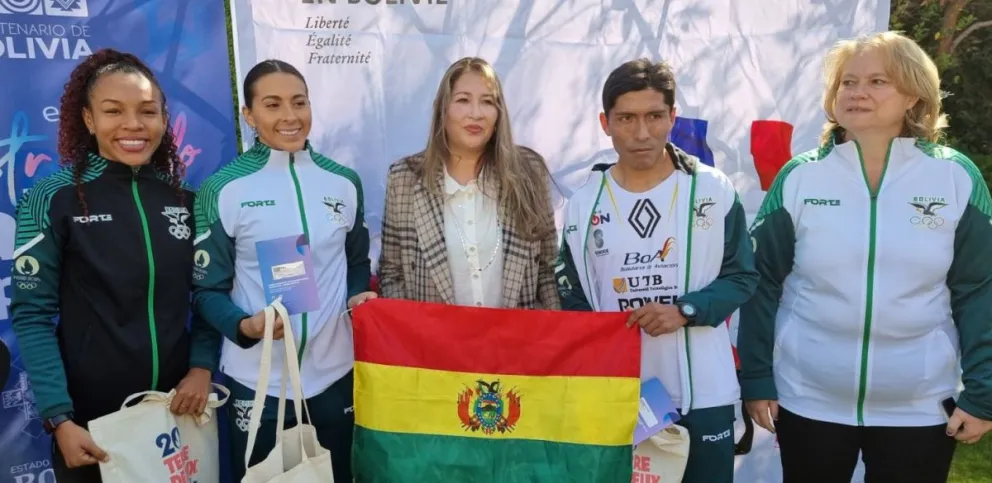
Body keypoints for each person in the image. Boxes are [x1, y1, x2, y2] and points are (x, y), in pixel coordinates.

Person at [738, 31, 992, 483]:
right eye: (848, 82)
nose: (857, 93)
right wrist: (756, 377)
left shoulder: (955, 177)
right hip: (809, 400)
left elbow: (979, 289)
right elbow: (762, 282)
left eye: (877, 81)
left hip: (919, 406)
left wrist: (984, 390)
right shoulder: (801, 177)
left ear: (914, 95)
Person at [9, 49, 219, 482]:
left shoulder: (187, 198)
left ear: (164, 119)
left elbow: (208, 293)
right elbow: (31, 314)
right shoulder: (53, 197)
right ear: (88, 119)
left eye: (147, 111)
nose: (133, 124)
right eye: (113, 111)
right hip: (91, 424)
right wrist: (59, 418)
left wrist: (201, 367)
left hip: (176, 410)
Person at [556, 58, 759, 483]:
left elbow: (742, 276)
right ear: (605, 123)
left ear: (672, 117)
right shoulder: (583, 203)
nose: (641, 133)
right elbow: (570, 293)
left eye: (654, 116)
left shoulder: (712, 188)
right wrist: (602, 337)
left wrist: (685, 310)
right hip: (619, 393)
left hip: (704, 392)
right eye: (626, 118)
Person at [191, 59, 373, 482]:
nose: (290, 116)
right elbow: (206, 291)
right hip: (257, 382)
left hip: (334, 377)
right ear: (249, 115)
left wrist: (357, 296)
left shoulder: (344, 182)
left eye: (299, 102)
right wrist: (245, 326)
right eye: (272, 105)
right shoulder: (224, 188)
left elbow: (357, 262)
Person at [377, 57, 559, 310]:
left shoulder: (529, 171)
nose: (476, 113)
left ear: (499, 114)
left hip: (519, 334)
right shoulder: (404, 179)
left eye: (487, 102)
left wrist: (554, 324)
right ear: (443, 109)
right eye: (463, 100)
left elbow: (548, 270)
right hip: (434, 335)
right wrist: (412, 329)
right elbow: (392, 273)